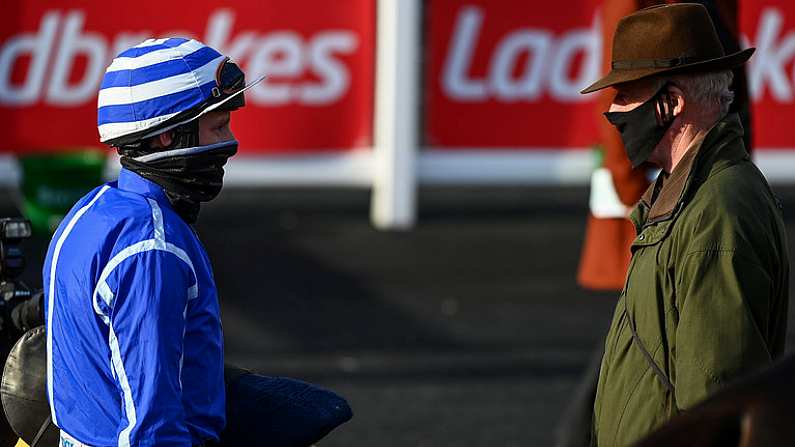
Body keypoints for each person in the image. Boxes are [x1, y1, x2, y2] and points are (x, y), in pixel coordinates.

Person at [579, 4, 789, 446]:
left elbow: (714, 406)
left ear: (670, 103)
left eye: (624, 95)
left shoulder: (717, 214)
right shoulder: (685, 198)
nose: (612, 112)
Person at [43, 38, 262, 446]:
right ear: (168, 136)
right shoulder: (153, 247)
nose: (229, 144)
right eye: (219, 126)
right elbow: (151, 426)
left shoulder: (90, 211)